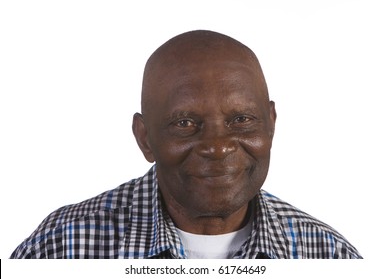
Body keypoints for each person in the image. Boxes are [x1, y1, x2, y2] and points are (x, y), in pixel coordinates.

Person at [10, 30, 362, 259]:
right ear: (145, 138)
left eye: (241, 120)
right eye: (185, 123)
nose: (218, 146)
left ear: (270, 124)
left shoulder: (329, 255)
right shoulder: (58, 248)